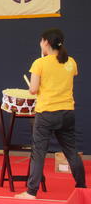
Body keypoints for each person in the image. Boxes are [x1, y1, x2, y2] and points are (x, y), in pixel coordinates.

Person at [15, 28, 87, 199]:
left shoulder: (39, 64)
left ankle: (31, 192)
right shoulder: (71, 62)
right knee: (71, 151)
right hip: (67, 112)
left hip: (46, 112)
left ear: (46, 42)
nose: (40, 43)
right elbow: (64, 75)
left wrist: (42, 61)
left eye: (41, 41)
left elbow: (33, 90)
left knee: (38, 152)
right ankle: (82, 187)